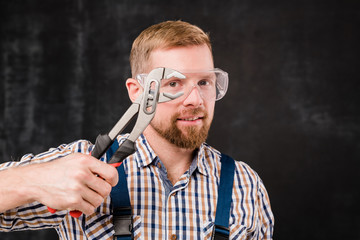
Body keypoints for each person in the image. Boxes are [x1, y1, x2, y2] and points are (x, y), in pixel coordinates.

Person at [0, 20, 274, 239]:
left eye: (204, 82)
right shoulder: (82, 165)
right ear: (137, 92)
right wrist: (34, 180)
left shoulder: (244, 184)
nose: (195, 100)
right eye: (173, 84)